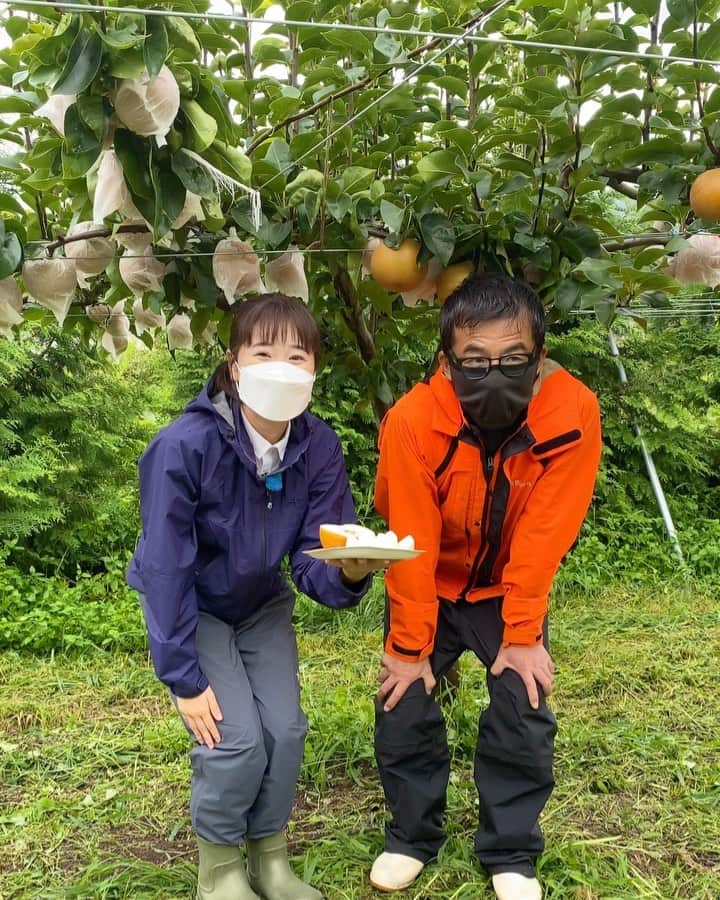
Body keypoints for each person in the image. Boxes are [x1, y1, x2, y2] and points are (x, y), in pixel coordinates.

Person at [127, 293, 385, 900]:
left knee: (286, 731)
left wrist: (349, 574)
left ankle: (269, 859)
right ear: (233, 365)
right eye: (263, 352)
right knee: (235, 738)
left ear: (314, 370)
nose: (281, 367)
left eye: (298, 356)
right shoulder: (184, 446)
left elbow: (313, 554)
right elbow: (165, 566)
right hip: (197, 605)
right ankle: (218, 871)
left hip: (261, 603)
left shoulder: (316, 447)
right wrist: (183, 678)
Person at [370, 274, 602, 900]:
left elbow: (546, 533)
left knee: (523, 708)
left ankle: (510, 852)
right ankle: (410, 837)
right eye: (473, 362)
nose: (492, 372)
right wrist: (410, 645)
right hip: (433, 583)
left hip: (506, 587)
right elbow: (409, 541)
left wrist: (524, 632)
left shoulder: (573, 411)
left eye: (512, 359)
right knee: (402, 699)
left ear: (541, 355)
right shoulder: (412, 421)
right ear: (446, 362)